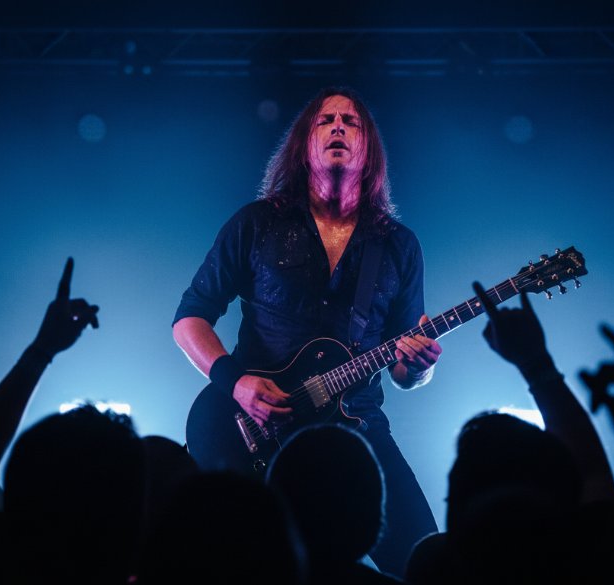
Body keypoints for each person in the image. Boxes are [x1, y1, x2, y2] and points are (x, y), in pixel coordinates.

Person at [172, 86, 440, 576]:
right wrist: (236, 382)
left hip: (357, 427)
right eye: (326, 120)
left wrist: (418, 369)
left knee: (425, 560)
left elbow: (404, 367)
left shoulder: (399, 246)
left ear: (369, 149)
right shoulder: (256, 224)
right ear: (303, 143)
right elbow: (190, 319)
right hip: (254, 428)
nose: (338, 126)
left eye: (351, 121)